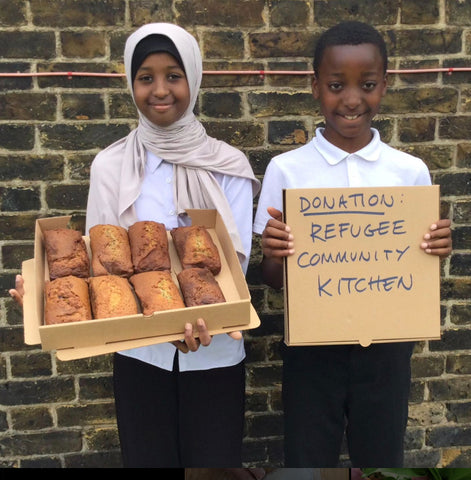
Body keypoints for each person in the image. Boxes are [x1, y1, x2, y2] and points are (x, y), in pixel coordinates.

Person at [11, 23, 261, 468]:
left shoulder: (228, 166)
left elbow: (232, 266)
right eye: (145, 77)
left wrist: (204, 317)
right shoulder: (111, 166)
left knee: (215, 468)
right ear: (131, 83)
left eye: (173, 75)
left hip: (217, 355)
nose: (159, 90)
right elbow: (94, 270)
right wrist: (43, 297)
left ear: (194, 79)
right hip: (138, 358)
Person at [252, 21, 452, 468]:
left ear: (385, 84)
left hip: (386, 350)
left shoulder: (409, 172)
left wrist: (436, 248)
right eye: (336, 85)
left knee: (382, 459)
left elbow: (418, 272)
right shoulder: (287, 171)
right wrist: (273, 254)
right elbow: (272, 279)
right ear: (315, 87)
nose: (351, 100)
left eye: (367, 85)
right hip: (311, 350)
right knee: (307, 460)